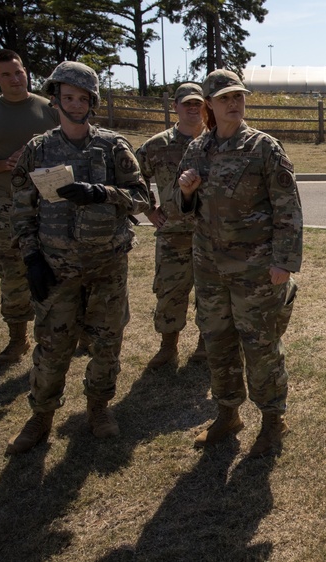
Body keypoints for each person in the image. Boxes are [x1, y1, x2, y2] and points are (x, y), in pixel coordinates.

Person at [5, 61, 150, 455]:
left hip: (107, 266)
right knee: (53, 346)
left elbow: (142, 199)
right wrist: (32, 258)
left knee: (106, 343)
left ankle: (98, 408)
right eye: (67, 97)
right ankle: (41, 416)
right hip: (56, 268)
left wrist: (103, 193)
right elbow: (21, 209)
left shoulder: (113, 146)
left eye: (82, 98)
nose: (75, 104)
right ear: (56, 100)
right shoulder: (38, 150)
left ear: (93, 102)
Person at [176, 69, 302, 458]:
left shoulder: (264, 147)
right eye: (225, 98)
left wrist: (284, 263)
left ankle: (271, 420)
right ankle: (227, 413)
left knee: (261, 347)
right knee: (217, 342)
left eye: (238, 97)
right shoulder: (198, 149)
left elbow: (289, 209)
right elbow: (183, 209)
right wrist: (185, 192)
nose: (234, 103)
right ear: (209, 105)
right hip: (211, 268)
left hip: (255, 271)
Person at [0, 49, 60, 367]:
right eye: (6, 74)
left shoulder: (49, 109)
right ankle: (17, 340)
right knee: (12, 276)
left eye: (19, 72)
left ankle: (62, 334)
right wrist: (1, 163)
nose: (15, 79)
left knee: (58, 273)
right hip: (5, 208)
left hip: (48, 207)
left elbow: (68, 151)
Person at [135, 82, 207, 368]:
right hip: (173, 233)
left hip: (210, 233)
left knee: (211, 293)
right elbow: (132, 177)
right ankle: (168, 346)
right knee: (169, 292)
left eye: (197, 103)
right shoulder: (157, 145)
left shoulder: (217, 142)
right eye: (186, 103)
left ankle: (206, 344)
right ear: (175, 106)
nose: (192, 108)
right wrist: (149, 210)